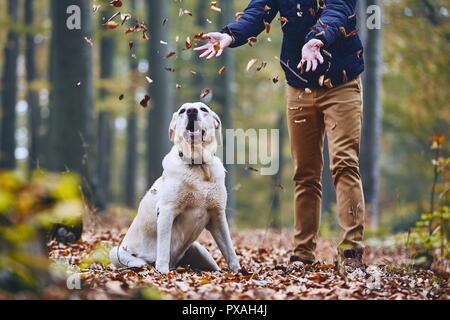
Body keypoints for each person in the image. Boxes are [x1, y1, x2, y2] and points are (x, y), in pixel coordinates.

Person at [195, 0, 365, 268]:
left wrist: (315, 39)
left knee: (344, 164)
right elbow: (256, 12)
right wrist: (230, 34)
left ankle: (351, 253)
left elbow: (338, 10)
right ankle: (303, 254)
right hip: (298, 85)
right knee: (305, 173)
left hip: (341, 84)